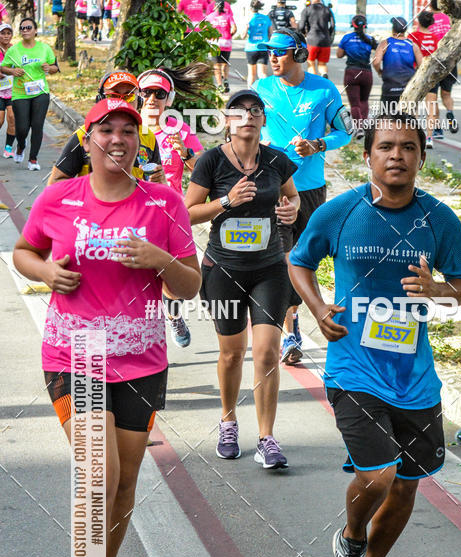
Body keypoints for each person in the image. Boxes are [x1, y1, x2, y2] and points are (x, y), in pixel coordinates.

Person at [13, 99, 201, 557]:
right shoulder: (59, 198)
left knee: (122, 486)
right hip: (77, 354)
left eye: (127, 130)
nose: (116, 139)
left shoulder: (162, 202)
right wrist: (46, 270)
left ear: (138, 141)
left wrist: (158, 260)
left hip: (141, 359)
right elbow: (24, 251)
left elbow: (190, 285)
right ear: (87, 139)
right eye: (105, 130)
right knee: (99, 476)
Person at [288, 112, 461, 557]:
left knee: (408, 485)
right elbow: (299, 260)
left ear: (421, 156)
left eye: (408, 147)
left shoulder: (438, 218)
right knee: (379, 474)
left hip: (414, 376)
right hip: (354, 367)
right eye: (386, 146)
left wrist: (438, 289)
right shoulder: (341, 211)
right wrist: (318, 308)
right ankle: (351, 542)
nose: (397, 155)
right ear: (368, 155)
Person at [185, 89, 300, 468]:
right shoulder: (211, 162)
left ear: (263, 119)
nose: (247, 116)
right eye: (239, 111)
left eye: (255, 110)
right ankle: (228, 421)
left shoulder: (277, 161)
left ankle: (267, 437)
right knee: (232, 353)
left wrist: (290, 211)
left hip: (269, 269)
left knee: (266, 351)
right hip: (223, 270)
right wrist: (227, 202)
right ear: (227, 120)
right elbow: (186, 214)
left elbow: (293, 198)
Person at [254, 28, 352, 364]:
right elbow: (242, 126)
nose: (273, 59)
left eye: (280, 52)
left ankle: (302, 319)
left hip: (310, 187)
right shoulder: (261, 88)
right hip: (274, 187)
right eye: (269, 52)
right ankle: (291, 330)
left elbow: (346, 132)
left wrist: (317, 144)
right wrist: (257, 142)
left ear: (298, 54)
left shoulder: (324, 90)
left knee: (303, 258)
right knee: (283, 257)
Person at [139, 66, 206, 348]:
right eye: (147, 92)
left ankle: (174, 315)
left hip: (170, 215)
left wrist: (186, 153)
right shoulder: (129, 127)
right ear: (138, 95)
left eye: (159, 93)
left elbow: (203, 171)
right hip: (135, 215)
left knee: (171, 278)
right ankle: (142, 335)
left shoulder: (179, 130)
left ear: (169, 99)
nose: (153, 98)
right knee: (137, 280)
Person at [49, 70, 164, 183]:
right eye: (113, 96)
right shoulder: (83, 135)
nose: (121, 102)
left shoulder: (148, 136)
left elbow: (158, 185)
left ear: (138, 101)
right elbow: (56, 182)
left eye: (129, 97)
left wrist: (160, 182)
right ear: (101, 100)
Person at [0, 17, 59, 170]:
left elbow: (55, 67)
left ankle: (33, 159)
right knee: (22, 128)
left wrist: (49, 68)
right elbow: (3, 67)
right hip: (20, 93)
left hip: (40, 92)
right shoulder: (14, 50)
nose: (25, 30)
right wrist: (12, 71)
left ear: (35, 31)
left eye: (28, 27)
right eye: (22, 28)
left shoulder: (44, 48)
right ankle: (20, 145)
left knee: (37, 125)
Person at [337, 14, 377, 137]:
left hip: (352, 72)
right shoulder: (370, 39)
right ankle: (365, 126)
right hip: (366, 73)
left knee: (354, 104)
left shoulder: (346, 38)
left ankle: (358, 128)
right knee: (364, 100)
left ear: (352, 25)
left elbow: (339, 55)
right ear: (365, 25)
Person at [373, 17, 421, 115]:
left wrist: (380, 72)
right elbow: (422, 65)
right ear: (405, 30)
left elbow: (376, 62)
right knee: (410, 120)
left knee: (387, 120)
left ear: (393, 29)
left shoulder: (385, 43)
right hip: (407, 89)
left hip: (390, 88)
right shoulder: (412, 45)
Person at [408, 10, 439, 147]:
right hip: (432, 74)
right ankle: (429, 138)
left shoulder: (413, 36)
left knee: (414, 106)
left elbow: (409, 54)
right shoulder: (435, 38)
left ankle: (415, 137)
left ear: (418, 22)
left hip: (417, 73)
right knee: (430, 107)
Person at [429, 0, 459, 134]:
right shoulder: (449, 19)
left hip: (434, 62)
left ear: (430, 6)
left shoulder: (426, 20)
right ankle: (450, 113)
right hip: (450, 61)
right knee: (446, 94)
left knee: (432, 97)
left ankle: (437, 128)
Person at [206, 0, 237, 94]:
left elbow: (205, 29)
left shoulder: (210, 17)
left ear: (215, 6)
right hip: (226, 42)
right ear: (223, 7)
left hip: (215, 43)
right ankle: (226, 79)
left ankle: (219, 85)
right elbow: (234, 28)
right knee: (225, 63)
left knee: (216, 66)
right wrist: (230, 35)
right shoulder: (228, 16)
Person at [298, 0, 335, 77]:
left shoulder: (307, 10)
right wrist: (329, 34)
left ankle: (314, 83)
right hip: (325, 40)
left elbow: (301, 26)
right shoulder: (327, 9)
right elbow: (332, 25)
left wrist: (304, 34)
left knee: (311, 63)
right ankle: (324, 74)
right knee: (322, 64)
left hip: (312, 40)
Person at [242, 0, 271, 86]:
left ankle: (250, 95)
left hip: (251, 48)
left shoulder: (249, 18)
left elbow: (243, 36)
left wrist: (247, 29)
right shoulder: (266, 18)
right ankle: (267, 93)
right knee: (262, 73)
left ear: (251, 8)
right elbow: (271, 34)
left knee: (251, 74)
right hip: (263, 47)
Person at [0, 22, 16, 159]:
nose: (6, 36)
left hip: (12, 91)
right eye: (3, 33)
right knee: (0, 121)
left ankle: (8, 148)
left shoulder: (15, 50)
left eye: (8, 33)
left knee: (12, 118)